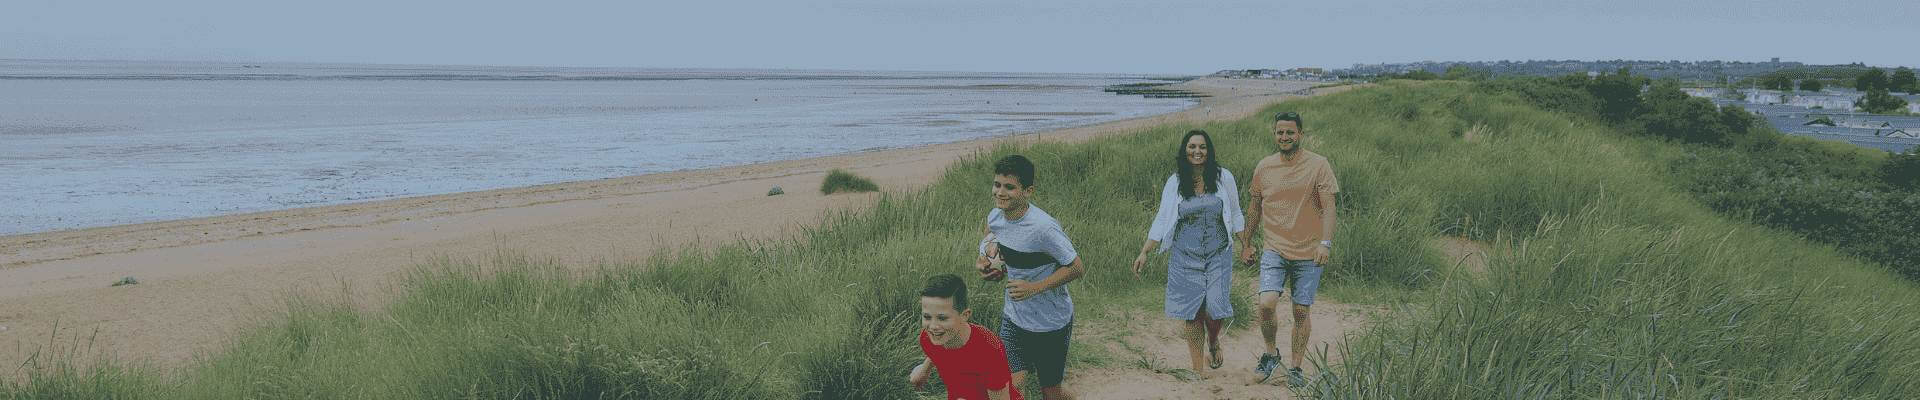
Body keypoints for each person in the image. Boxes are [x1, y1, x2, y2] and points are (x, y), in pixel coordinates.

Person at [1237, 112, 1338, 387]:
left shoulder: (1319, 165)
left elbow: (1329, 207)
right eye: (1280, 133)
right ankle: (1271, 355)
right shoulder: (1264, 167)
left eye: (1290, 133)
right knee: (1266, 303)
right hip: (1275, 248)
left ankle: (1295, 367)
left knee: (1301, 311)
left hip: (1309, 252)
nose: (1284, 137)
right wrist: (1246, 243)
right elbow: (1255, 207)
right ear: (1275, 135)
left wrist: (1325, 243)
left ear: (1300, 134)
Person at [1131, 130, 1242, 378]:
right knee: (1192, 313)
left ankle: (1213, 342)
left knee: (1215, 309)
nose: (1197, 151)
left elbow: (1235, 213)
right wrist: (1145, 251)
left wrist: (1246, 243)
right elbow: (1162, 218)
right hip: (1184, 255)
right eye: (1192, 147)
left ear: (1209, 151)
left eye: (1202, 147)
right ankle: (1197, 371)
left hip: (1218, 253)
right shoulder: (1175, 181)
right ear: (1184, 150)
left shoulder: (1224, 178)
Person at [974, 154, 1083, 399]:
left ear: (1028, 191)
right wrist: (987, 268)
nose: (1000, 192)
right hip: (1014, 318)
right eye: (997, 185)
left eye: (1009, 187)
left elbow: (1077, 267)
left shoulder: (1044, 228)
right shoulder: (994, 218)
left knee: (1051, 390)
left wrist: (1034, 288)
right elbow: (992, 249)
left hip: (1051, 322)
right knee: (1013, 384)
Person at [910, 274, 1022, 400]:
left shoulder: (989, 350)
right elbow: (937, 352)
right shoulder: (928, 338)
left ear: (964, 315)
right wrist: (924, 370)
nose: (933, 326)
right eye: (927, 317)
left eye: (942, 318)